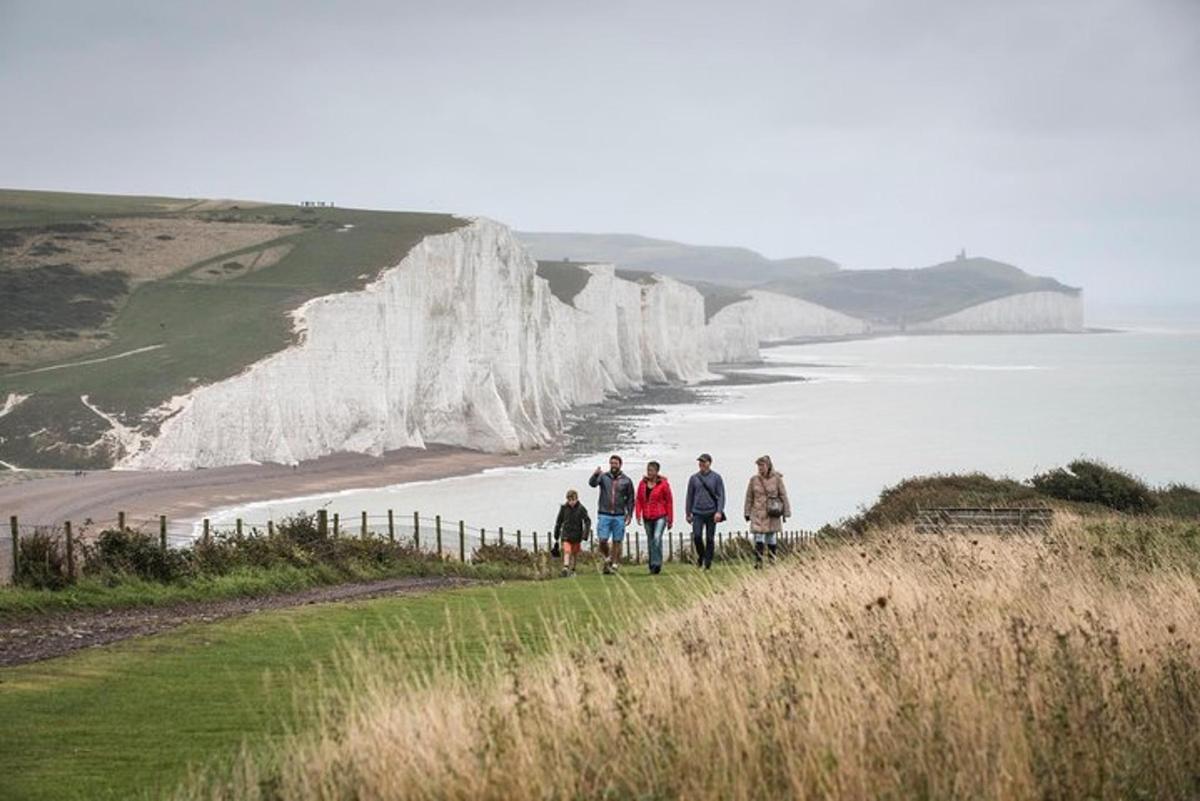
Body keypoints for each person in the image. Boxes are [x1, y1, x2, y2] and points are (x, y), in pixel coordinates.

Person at [588, 454, 635, 574]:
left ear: (620, 465)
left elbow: (630, 499)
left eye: (616, 463)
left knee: (617, 541)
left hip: (619, 515)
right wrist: (595, 474)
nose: (613, 465)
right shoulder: (603, 477)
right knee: (602, 540)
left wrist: (629, 514)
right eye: (611, 463)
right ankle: (608, 557)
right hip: (604, 513)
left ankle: (614, 564)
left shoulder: (627, 480)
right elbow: (592, 484)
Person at [743, 455, 791, 568]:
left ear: (768, 466)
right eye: (758, 466)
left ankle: (772, 561)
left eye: (762, 465)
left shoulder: (777, 479)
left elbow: (783, 495)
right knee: (758, 536)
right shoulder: (753, 480)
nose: (760, 468)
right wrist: (747, 512)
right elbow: (749, 497)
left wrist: (786, 511)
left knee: (771, 536)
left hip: (772, 512)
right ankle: (759, 562)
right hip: (758, 512)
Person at [685, 453, 725, 570]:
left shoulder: (716, 477)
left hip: (711, 512)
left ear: (709, 463)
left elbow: (721, 496)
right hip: (697, 512)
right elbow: (689, 496)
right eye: (700, 462)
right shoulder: (694, 478)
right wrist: (688, 512)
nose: (701, 464)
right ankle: (701, 555)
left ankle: (708, 562)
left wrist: (719, 511)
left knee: (710, 538)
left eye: (704, 462)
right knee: (697, 536)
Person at [635, 460, 674, 575]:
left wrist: (670, 519)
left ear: (657, 471)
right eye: (648, 470)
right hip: (647, 516)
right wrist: (638, 514)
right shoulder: (642, 484)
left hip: (660, 515)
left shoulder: (664, 485)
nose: (649, 472)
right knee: (650, 540)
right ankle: (652, 564)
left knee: (657, 538)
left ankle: (657, 564)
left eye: (651, 470)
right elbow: (638, 500)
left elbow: (669, 501)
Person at [553, 489, 591, 577]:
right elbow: (559, 522)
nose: (571, 502)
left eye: (573, 500)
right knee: (567, 551)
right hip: (566, 534)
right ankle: (565, 568)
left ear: (577, 499)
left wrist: (585, 534)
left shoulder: (581, 509)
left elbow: (587, 521)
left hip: (577, 535)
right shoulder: (563, 508)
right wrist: (556, 533)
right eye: (569, 500)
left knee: (574, 553)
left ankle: (573, 570)